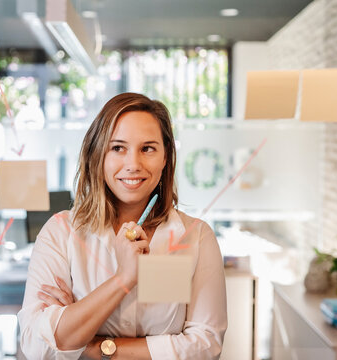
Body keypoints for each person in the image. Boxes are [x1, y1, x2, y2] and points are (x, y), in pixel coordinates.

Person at [17, 93, 227, 359]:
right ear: (98, 155)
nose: (133, 165)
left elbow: (205, 346)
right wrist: (123, 279)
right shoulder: (61, 232)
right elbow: (38, 346)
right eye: (118, 148)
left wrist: (99, 348)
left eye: (148, 148)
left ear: (165, 158)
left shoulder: (195, 237)